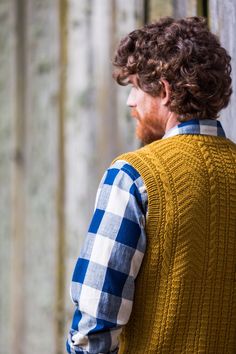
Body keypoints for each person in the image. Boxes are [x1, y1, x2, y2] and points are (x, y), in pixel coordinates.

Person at [66, 16, 236, 353]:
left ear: (165, 90)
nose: (130, 101)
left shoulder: (134, 175)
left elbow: (95, 326)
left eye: (135, 87)